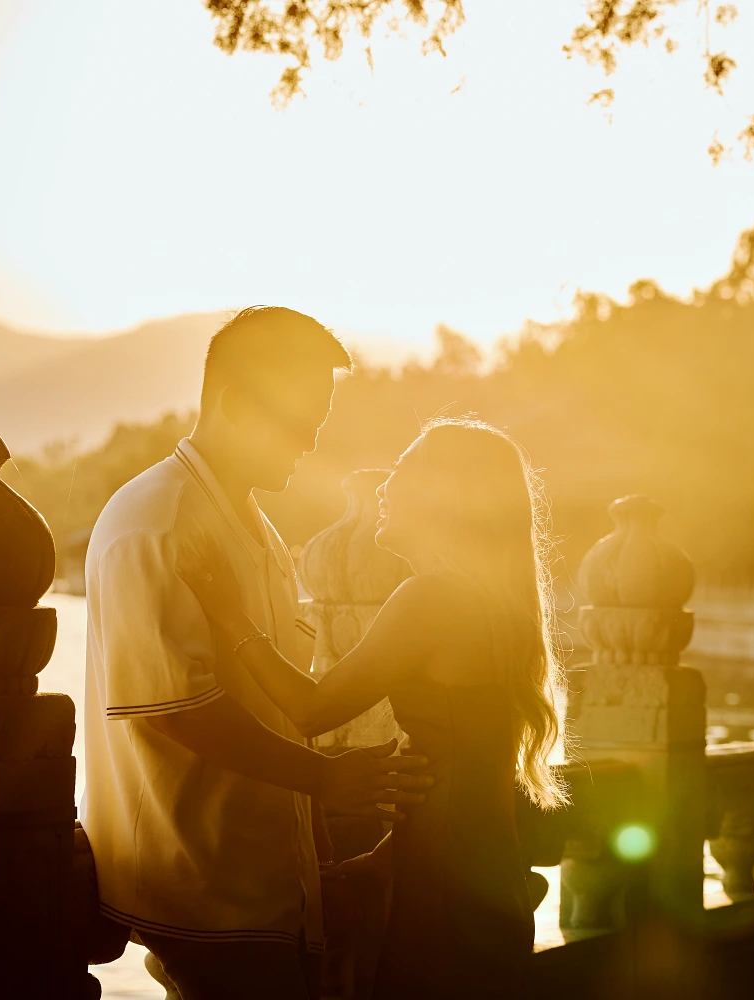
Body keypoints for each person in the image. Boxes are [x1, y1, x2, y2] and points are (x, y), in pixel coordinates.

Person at [80, 306, 433, 1000]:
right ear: (235, 402)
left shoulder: (251, 524)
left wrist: (316, 843)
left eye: (319, 422)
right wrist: (324, 778)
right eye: (300, 421)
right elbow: (175, 710)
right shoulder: (158, 521)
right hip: (203, 887)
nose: (310, 441)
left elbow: (273, 701)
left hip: (267, 885)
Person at [179, 415, 569, 1000]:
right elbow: (472, 767)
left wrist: (232, 615)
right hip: (483, 878)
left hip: (445, 894)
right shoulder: (490, 604)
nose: (384, 488)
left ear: (446, 496)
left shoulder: (433, 597)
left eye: (404, 472)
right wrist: (390, 856)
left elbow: (311, 709)